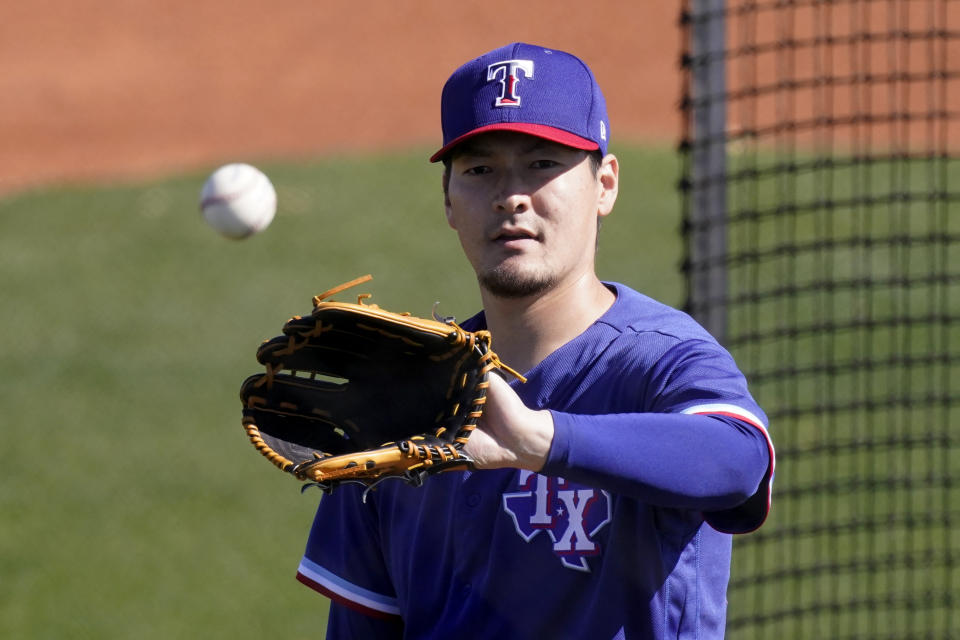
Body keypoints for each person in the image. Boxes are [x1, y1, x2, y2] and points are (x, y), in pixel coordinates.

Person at [295, 42, 775, 639]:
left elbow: (738, 460)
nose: (510, 194)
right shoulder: (400, 400)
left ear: (605, 184)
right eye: (479, 170)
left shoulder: (659, 359)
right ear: (448, 200)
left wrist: (541, 440)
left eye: (543, 163)